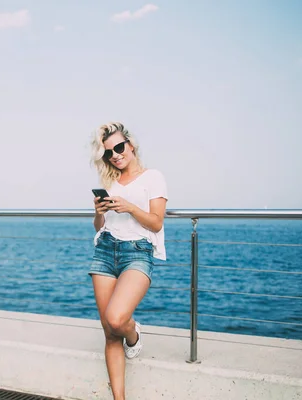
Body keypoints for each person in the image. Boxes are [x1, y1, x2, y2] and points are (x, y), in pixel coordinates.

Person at [88, 122, 168, 400]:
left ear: (131, 146)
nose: (115, 155)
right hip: (105, 251)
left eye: (119, 147)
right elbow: (99, 227)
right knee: (110, 332)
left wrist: (130, 207)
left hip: (137, 251)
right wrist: (99, 212)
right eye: (109, 152)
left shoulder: (153, 177)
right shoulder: (110, 182)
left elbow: (156, 223)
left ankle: (133, 335)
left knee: (117, 318)